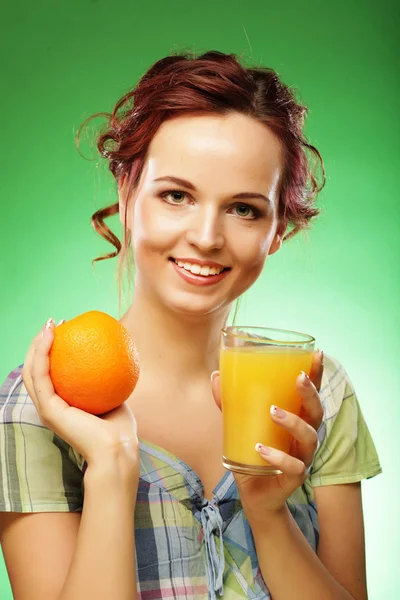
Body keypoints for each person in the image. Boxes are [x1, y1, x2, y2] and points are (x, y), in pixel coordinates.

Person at [0, 50, 381, 600]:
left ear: (279, 230)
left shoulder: (317, 394)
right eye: (176, 195)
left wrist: (269, 516)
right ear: (129, 196)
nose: (206, 236)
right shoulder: (40, 407)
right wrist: (110, 468)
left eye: (245, 209)